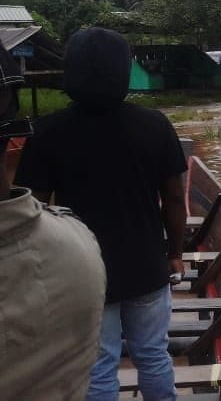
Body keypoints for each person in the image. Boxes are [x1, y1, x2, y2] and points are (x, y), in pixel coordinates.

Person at [16, 28, 188, 401]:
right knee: (154, 355)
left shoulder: (46, 132)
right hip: (147, 266)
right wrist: (175, 252)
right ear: (124, 71)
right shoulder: (155, 125)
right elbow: (174, 200)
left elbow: (33, 214)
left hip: (82, 272)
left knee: (98, 365)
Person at [0, 44, 107, 399]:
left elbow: (37, 194)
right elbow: (172, 197)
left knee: (106, 362)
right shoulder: (77, 247)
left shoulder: (48, 131)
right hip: (131, 269)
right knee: (142, 353)